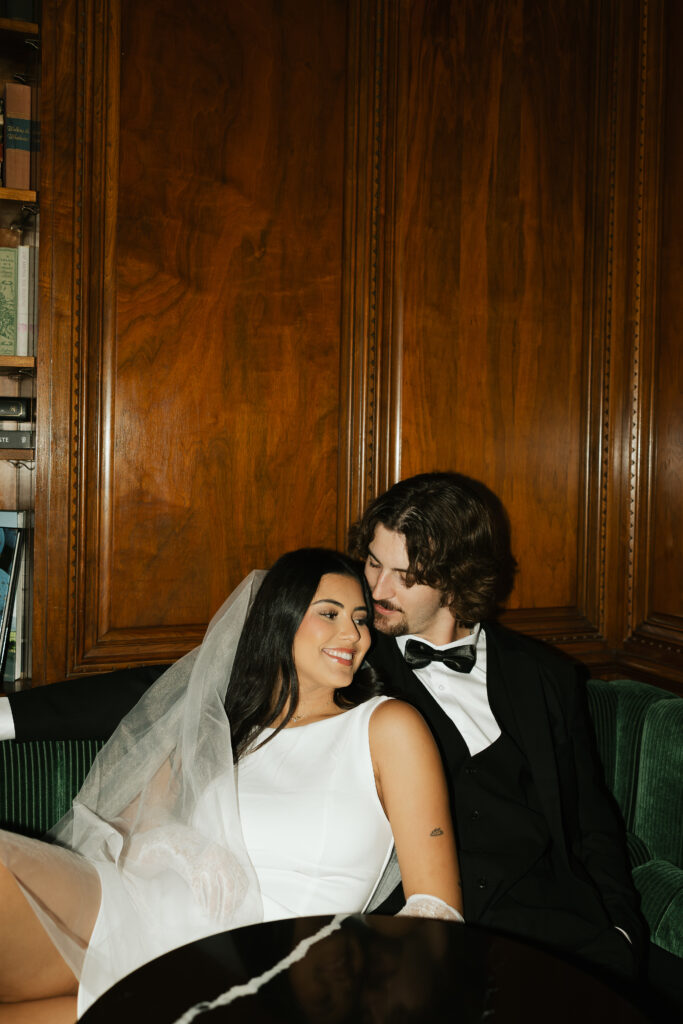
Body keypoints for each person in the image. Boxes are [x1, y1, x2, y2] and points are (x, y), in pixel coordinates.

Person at [0, 548, 462, 1023]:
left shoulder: (387, 725)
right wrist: (181, 847)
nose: (353, 635)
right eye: (330, 614)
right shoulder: (223, 725)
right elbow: (124, 833)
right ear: (279, 621)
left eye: (361, 620)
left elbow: (437, 909)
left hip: (255, 973)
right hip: (138, 911)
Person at [346, 472, 644, 981]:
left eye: (406, 575)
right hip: (418, 940)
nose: (377, 588)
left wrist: (622, 930)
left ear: (457, 579)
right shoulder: (348, 667)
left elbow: (591, 821)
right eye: (374, 562)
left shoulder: (546, 675)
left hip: (557, 934)